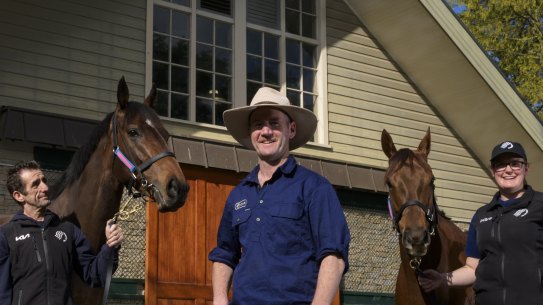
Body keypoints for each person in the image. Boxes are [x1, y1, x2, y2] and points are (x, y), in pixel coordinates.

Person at [208, 87, 351, 305]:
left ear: (291, 129)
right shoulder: (239, 195)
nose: (266, 131)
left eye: (274, 123)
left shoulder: (314, 188)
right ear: (251, 133)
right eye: (258, 124)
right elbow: (225, 254)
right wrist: (219, 299)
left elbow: (334, 256)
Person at [418, 141, 543, 305]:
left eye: (515, 164)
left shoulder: (539, 205)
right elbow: (472, 269)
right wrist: (442, 279)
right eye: (501, 165)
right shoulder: (481, 215)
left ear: (526, 168)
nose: (508, 169)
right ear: (493, 171)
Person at [0, 160, 124, 305]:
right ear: (19, 196)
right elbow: (2, 291)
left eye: (44, 181)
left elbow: (95, 275)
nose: (45, 187)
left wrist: (110, 247)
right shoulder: (6, 235)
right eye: (36, 184)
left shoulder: (68, 230)